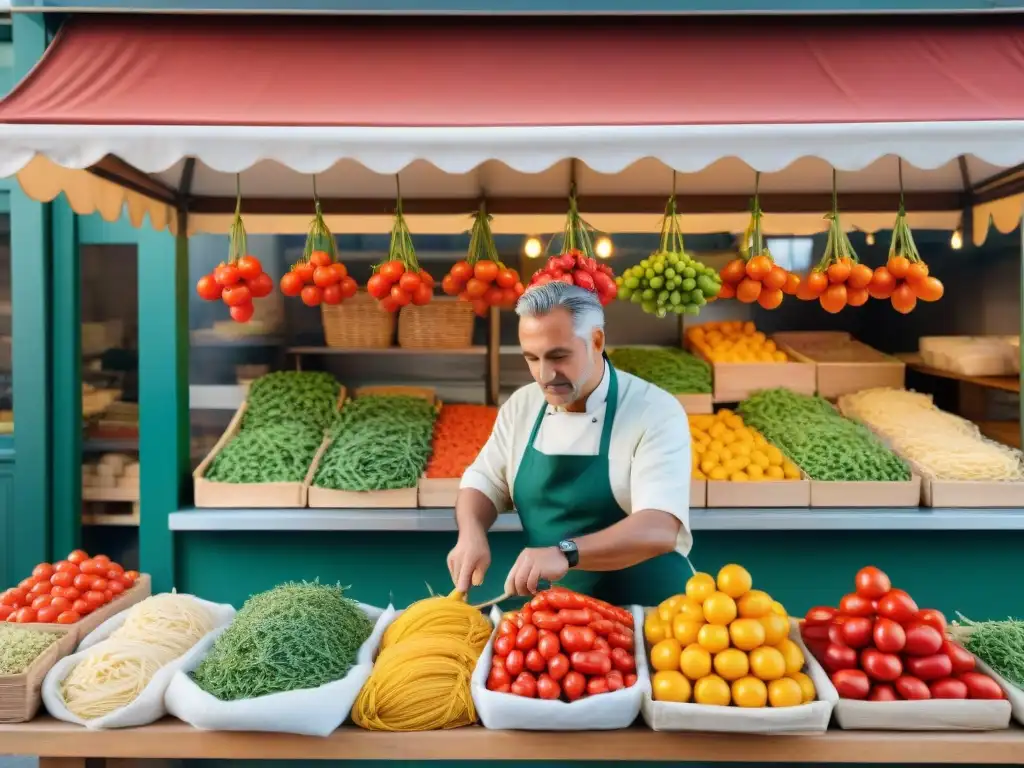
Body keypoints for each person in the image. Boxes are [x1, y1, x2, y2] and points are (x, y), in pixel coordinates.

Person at [448, 281, 693, 605]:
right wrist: (471, 531)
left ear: (596, 341)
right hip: (564, 623)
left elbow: (659, 526)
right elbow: (484, 480)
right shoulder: (522, 406)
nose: (544, 375)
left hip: (654, 615)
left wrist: (566, 553)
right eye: (532, 358)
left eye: (558, 356)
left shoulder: (654, 410)